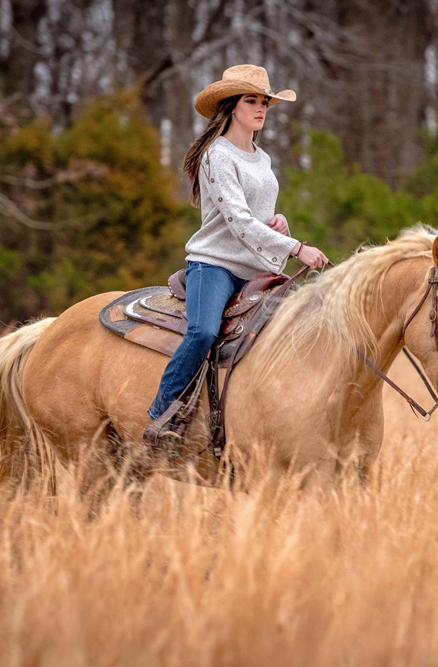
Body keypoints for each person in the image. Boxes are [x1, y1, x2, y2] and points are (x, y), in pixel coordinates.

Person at [144, 64, 328, 449]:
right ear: (230, 107)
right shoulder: (217, 156)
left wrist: (278, 223)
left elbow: (255, 217)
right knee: (204, 332)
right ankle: (161, 415)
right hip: (215, 266)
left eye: (264, 102)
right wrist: (296, 248)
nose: (261, 108)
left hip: (258, 270)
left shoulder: (262, 158)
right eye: (252, 101)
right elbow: (238, 221)